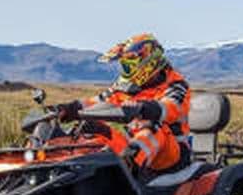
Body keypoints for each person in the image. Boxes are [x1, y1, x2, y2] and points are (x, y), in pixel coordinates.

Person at [56, 33, 191, 178]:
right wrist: (71, 108)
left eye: (128, 66)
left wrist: (143, 107)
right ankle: (65, 169)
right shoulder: (126, 87)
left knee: (150, 126)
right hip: (133, 147)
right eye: (124, 66)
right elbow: (100, 101)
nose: (125, 71)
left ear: (147, 63)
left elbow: (170, 108)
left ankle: (125, 174)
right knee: (91, 127)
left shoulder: (176, 84)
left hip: (171, 154)